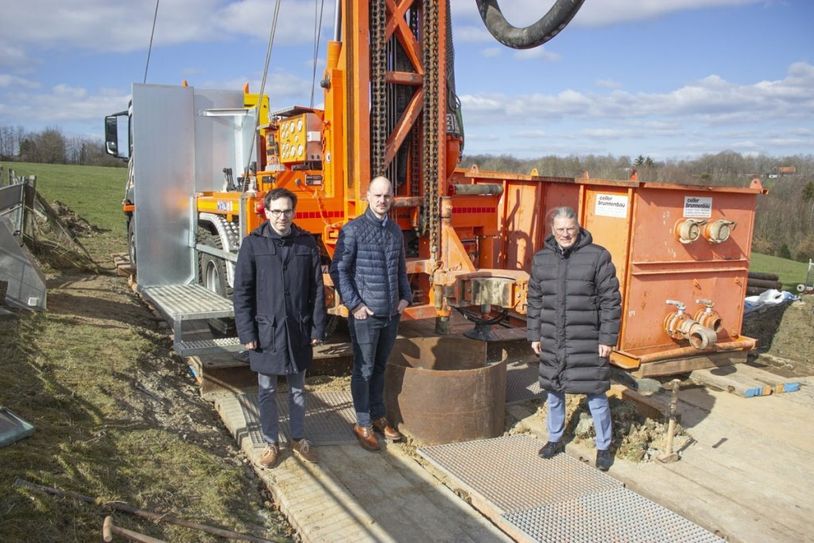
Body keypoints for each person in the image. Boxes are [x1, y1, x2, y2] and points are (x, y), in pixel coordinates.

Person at [233, 187, 326, 468]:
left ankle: (298, 439)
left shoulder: (307, 243)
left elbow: (317, 291)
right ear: (266, 211)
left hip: (298, 330)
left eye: (287, 211)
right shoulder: (253, 244)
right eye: (276, 211)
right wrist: (247, 333)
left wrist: (316, 329)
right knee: (267, 390)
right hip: (265, 332)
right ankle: (271, 442)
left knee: (298, 389)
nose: (282, 217)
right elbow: (242, 292)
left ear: (294, 212)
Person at [527, 206, 621, 471]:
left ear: (578, 228)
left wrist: (607, 338)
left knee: (596, 394)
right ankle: (554, 439)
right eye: (560, 230)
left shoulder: (597, 257)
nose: (566, 234)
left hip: (588, 339)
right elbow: (534, 299)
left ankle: (604, 446)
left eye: (570, 229)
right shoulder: (542, 259)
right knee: (554, 392)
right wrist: (534, 333)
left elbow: (611, 301)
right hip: (552, 338)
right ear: (552, 231)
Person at [330, 176, 412, 451]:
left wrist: (405, 297)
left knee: (379, 367)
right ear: (367, 196)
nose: (382, 201)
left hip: (390, 314)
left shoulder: (395, 231)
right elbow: (338, 269)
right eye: (377, 195)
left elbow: (400, 268)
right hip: (366, 314)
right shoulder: (353, 230)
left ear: (392, 198)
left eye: (387, 196)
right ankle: (362, 420)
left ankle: (378, 415)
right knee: (364, 369)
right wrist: (354, 305)